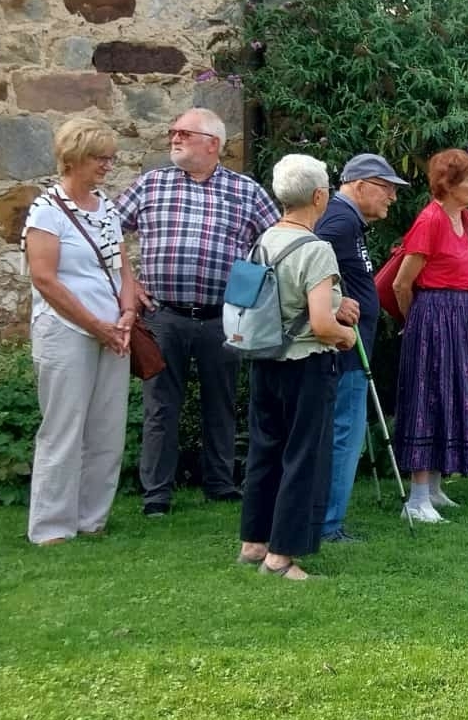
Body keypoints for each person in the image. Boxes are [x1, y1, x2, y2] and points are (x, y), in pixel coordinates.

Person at [114, 108, 279, 516]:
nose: (174, 138)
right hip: (163, 316)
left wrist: (252, 293)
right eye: (173, 132)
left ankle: (220, 485)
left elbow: (277, 243)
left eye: (184, 133)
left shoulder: (246, 191)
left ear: (213, 144)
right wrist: (129, 285)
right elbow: (106, 232)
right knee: (159, 407)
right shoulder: (152, 184)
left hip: (220, 317)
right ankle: (156, 495)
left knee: (220, 405)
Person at [234, 155, 354, 581]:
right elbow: (322, 324)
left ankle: (254, 542)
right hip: (305, 364)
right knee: (304, 456)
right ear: (319, 196)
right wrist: (347, 336)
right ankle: (282, 556)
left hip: (264, 358)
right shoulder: (317, 250)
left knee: (264, 451)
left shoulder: (261, 241)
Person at [21, 119, 138, 547]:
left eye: (110, 157)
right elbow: (45, 279)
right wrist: (97, 326)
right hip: (66, 329)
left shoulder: (105, 206)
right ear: (73, 159)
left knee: (107, 428)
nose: (107, 166)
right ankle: (51, 526)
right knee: (63, 427)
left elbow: (122, 266)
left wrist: (126, 314)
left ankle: (92, 518)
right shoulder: (46, 211)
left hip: (113, 329)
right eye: (99, 158)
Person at [392, 149, 468, 524]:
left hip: (461, 314)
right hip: (434, 315)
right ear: (448, 184)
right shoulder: (430, 219)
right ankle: (416, 498)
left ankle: (434, 488)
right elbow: (403, 283)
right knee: (429, 397)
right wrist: (415, 323)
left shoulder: (462, 218)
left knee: (451, 395)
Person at [314, 154, 407, 543]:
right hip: (345, 349)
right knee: (344, 432)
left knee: (343, 430)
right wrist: (335, 302)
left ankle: (327, 517)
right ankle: (328, 523)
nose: (391, 197)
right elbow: (309, 257)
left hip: (351, 344)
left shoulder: (349, 220)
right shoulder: (340, 219)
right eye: (385, 188)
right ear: (360, 185)